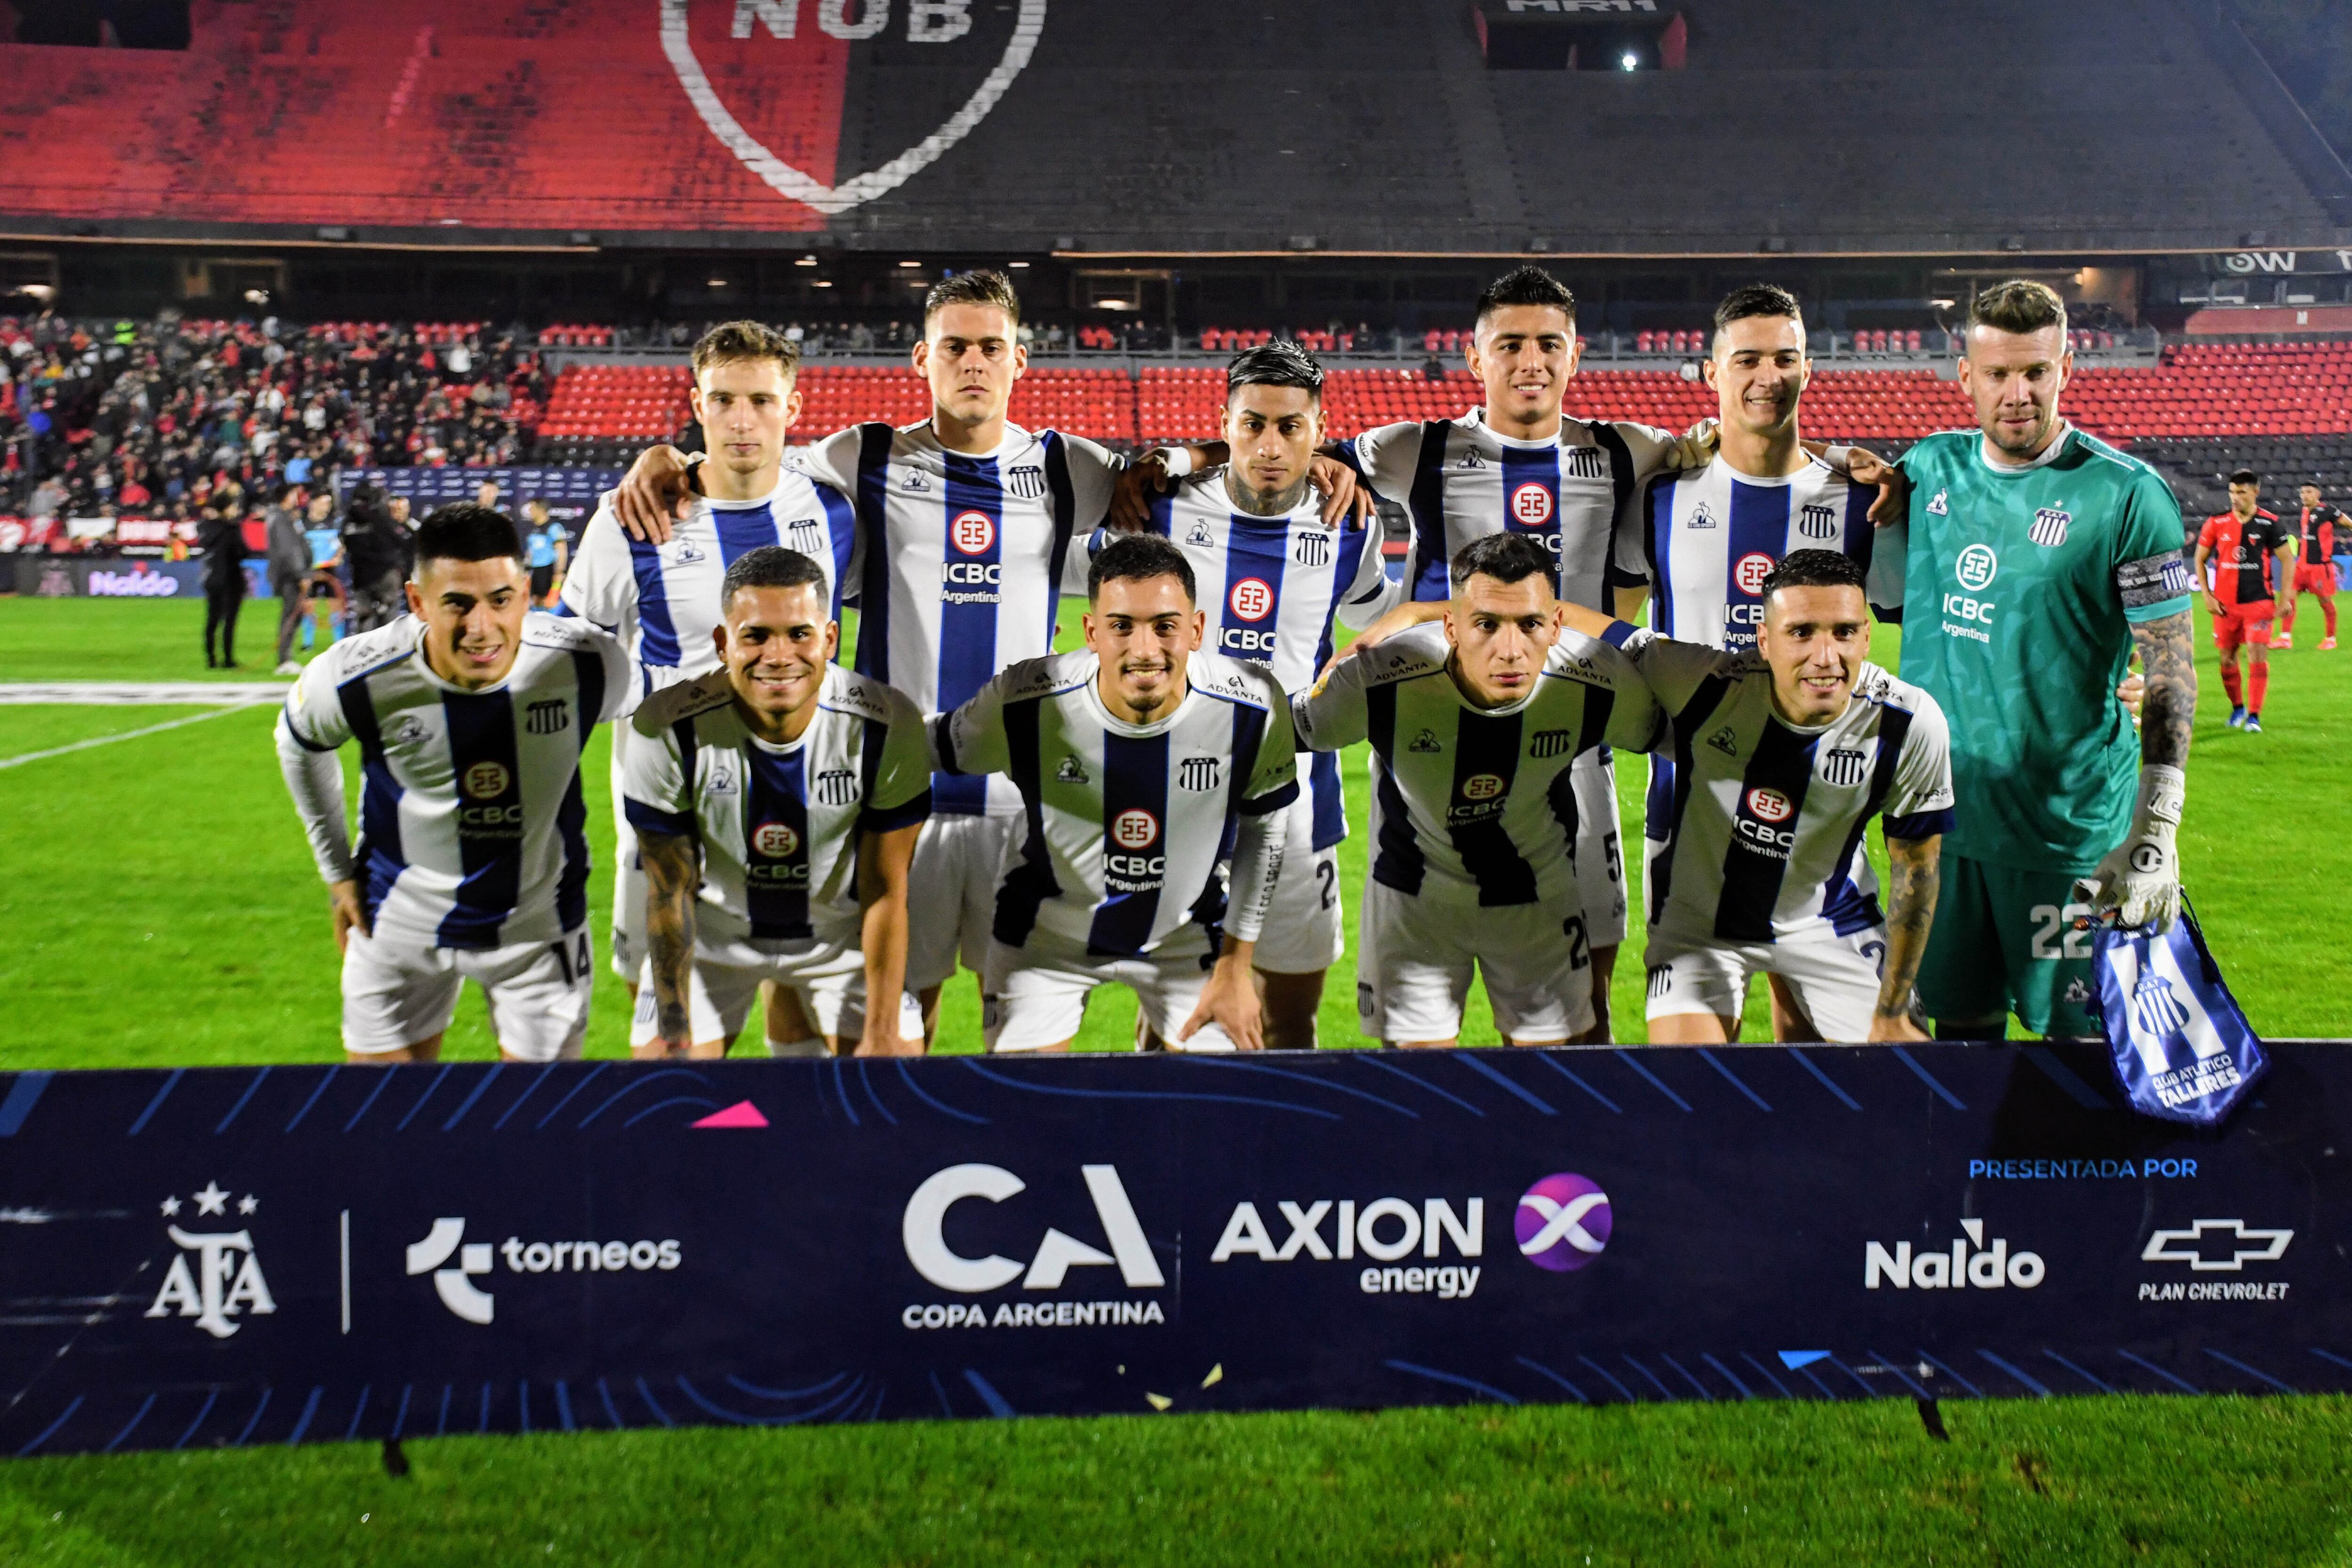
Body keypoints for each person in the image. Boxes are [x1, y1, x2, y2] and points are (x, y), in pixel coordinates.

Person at [609, 273, 1358, 1042]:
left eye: (990, 348)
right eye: (956, 347)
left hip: (1036, 804)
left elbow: (1168, 472)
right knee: (893, 1030)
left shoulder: (1069, 465)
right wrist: (663, 455)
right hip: (906, 798)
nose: (973, 362)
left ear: (1020, 361)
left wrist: (1317, 461)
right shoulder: (862, 456)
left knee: (1041, 1024)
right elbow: (746, 457)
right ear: (920, 359)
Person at [1166, 267, 1722, 1039]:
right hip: (1428, 736)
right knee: (1420, 1008)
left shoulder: (1627, 450)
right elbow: (1275, 445)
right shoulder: (1416, 448)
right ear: (1474, 357)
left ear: (1576, 354)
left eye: (1548, 343)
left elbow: (1738, 441)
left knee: (1581, 999)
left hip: (1573, 737)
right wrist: (1180, 463)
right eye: (1511, 344)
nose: (1531, 360)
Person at [1874, 280, 2195, 1040]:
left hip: (2071, 839)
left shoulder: (2127, 496)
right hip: (1941, 835)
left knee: (2086, 1058)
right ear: (1966, 378)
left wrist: (2156, 830)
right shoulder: (1927, 470)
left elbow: (2172, 670)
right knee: (1952, 1051)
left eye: (2035, 372)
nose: (2018, 393)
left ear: (2067, 369)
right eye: (1998, 374)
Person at [563, 321, 858, 1020]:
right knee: (660, 993)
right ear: (697, 404)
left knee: (795, 977)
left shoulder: (833, 510)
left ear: (793, 408)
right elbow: (573, 662)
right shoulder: (630, 518)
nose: (741, 419)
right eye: (723, 399)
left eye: (760, 399)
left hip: (799, 785)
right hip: (668, 800)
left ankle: (781, 1123)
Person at [274, 503, 635, 1064]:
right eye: (457, 605)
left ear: (524, 592)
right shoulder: (356, 674)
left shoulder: (587, 664)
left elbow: (677, 711)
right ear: (418, 601)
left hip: (537, 936)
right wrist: (337, 873)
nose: (481, 627)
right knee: (384, 1130)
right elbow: (298, 743)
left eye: (500, 601)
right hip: (394, 925)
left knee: (536, 1135)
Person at [1552, 551, 1952, 1043]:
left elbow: (1917, 868)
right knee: (1689, 1090)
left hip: (1829, 924)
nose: (1825, 657)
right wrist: (1439, 614)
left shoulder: (1906, 721)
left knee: (1906, 1081)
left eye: (1843, 632)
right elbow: (1568, 620)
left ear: (1866, 636)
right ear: (1764, 641)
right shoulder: (1706, 683)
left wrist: (1891, 1011)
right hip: (1701, 929)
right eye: (1801, 632)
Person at [1119, 342, 1396, 1047]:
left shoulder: (1352, 527)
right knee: (1170, 1022)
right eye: (1252, 425)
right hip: (1184, 800)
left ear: (1318, 429)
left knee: (1292, 1018)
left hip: (1303, 803)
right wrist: (1183, 457)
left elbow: (1378, 626)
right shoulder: (1164, 509)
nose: (1270, 445)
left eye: (1290, 428)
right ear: (1226, 424)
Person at [1291, 534, 1662, 1049]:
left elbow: (1690, 737)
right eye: (1485, 624)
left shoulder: (1595, 683)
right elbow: (1272, 733)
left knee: (1551, 1092)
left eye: (1530, 624)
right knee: (1419, 1100)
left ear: (1556, 625)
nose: (1509, 651)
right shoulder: (1379, 679)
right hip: (1413, 904)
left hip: (1537, 902)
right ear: (1451, 626)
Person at [934, 533, 1298, 1053]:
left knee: (1216, 1116)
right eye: (1121, 626)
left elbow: (1265, 829)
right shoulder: (1025, 699)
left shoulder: (1253, 704)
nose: (1144, 650)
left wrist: (1236, 968)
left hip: (1188, 939)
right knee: (1025, 1112)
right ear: (1091, 632)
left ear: (1196, 631)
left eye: (1165, 627)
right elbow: (932, 745)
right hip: (1045, 938)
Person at [626, 547, 931, 1059]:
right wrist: (673, 1022)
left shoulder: (886, 725)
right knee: (665, 1084)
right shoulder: (668, 725)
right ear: (723, 643)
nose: (778, 656)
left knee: (892, 1077)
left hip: (839, 940)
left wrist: (880, 1029)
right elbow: (668, 890)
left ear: (829, 639)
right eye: (756, 636)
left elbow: (886, 888)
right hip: (713, 941)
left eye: (798, 635)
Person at [2192, 469, 2294, 733]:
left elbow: (2287, 560)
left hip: (2259, 603)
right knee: (2227, 659)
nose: (2235, 498)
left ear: (2255, 493)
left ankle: (2254, 716)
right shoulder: (2216, 523)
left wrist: (2285, 599)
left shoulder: (2270, 523)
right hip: (2225, 607)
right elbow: (2199, 559)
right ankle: (2237, 707)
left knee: (2256, 655)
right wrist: (2208, 595)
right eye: (2232, 492)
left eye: (2242, 492)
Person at [2274, 479, 2339, 651]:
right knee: (2289, 597)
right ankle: (2285, 638)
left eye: (2309, 492)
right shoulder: (2304, 511)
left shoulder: (2329, 511)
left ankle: (2331, 639)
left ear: (2318, 494)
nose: (2305, 495)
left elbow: (2348, 524)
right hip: (2302, 566)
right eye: (2302, 492)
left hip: (2320, 567)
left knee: (2325, 601)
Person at [341, 484, 409, 634]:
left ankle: (364, 652)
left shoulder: (347, 523)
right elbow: (402, 540)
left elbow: (345, 543)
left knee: (364, 617)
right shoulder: (381, 518)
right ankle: (386, 652)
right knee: (389, 617)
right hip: (385, 574)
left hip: (360, 577)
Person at [263, 482, 312, 674]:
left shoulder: (284, 517)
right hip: (291, 576)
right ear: (286, 497)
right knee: (291, 615)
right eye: (293, 494)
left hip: (292, 574)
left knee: (295, 614)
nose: (296, 498)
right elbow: (288, 551)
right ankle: (284, 660)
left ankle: (286, 657)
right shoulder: (280, 519)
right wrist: (300, 574)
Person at [196, 498, 246, 669]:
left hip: (213, 578)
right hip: (232, 579)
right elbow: (242, 552)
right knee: (229, 621)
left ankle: (211, 659)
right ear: (225, 509)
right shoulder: (232, 528)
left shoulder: (206, 527)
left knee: (212, 620)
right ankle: (228, 659)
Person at [523, 498, 568, 606]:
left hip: (548, 570)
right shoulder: (534, 530)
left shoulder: (554, 528)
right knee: (536, 601)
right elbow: (531, 552)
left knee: (548, 603)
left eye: (532, 509)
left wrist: (559, 572)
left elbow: (562, 550)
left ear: (541, 510)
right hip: (535, 571)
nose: (530, 512)